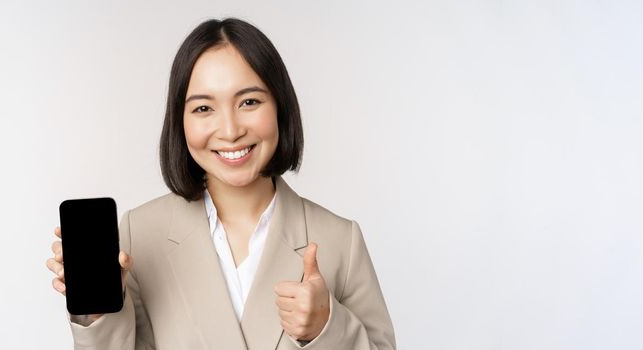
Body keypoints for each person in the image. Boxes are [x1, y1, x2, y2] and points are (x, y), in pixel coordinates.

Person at [46, 17, 396, 350]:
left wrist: (327, 328)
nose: (230, 131)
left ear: (280, 107)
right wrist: (97, 315)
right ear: (179, 122)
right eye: (203, 108)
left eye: (249, 102)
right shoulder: (141, 234)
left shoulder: (340, 241)